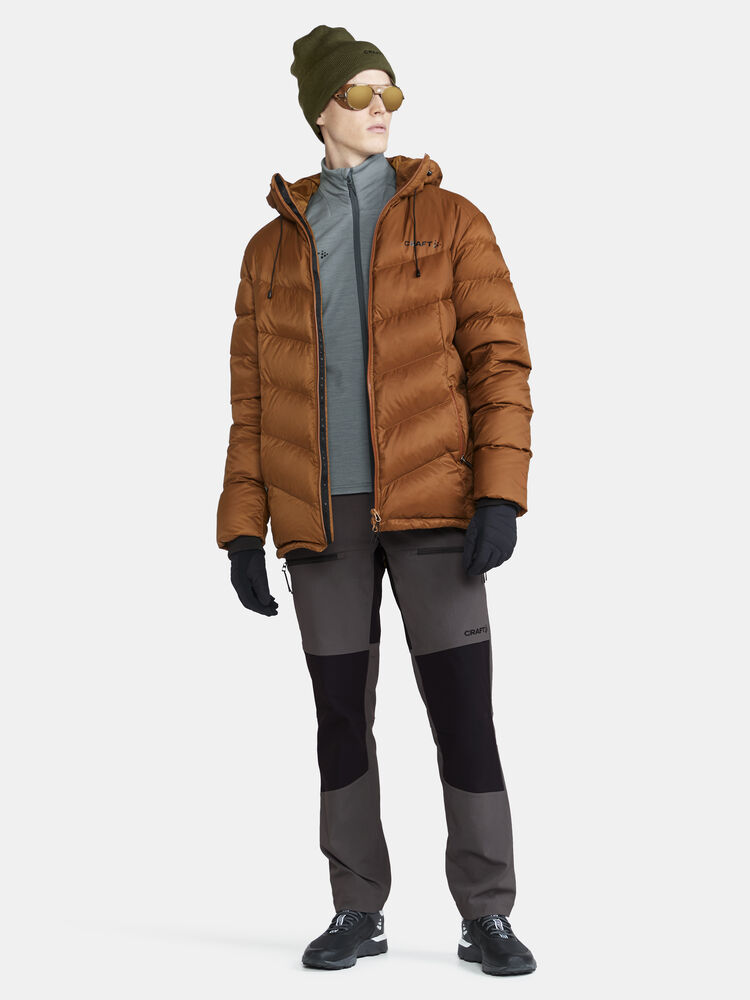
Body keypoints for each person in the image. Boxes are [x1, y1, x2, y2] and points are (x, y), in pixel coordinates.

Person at [216, 24, 536, 977]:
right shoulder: (270, 250)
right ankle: (357, 906)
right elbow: (251, 401)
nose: (379, 108)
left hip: (437, 510)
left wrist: (501, 495)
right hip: (322, 520)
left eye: (388, 91)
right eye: (358, 94)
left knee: (463, 714)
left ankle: (486, 911)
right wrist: (242, 529)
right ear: (320, 111)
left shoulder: (454, 221)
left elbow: (500, 362)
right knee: (339, 720)